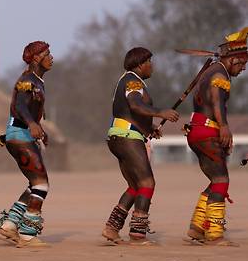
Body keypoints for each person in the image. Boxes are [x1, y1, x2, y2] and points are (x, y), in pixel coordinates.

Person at [102, 47, 179, 245]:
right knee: (147, 183)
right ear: (139, 64)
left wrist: (149, 127)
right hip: (127, 137)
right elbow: (135, 105)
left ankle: (112, 228)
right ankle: (137, 234)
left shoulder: (128, 80)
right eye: (149, 62)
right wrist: (161, 112)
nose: (152, 66)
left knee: (135, 186)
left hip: (120, 135)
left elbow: (130, 112)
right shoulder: (133, 81)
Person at [185, 28, 248, 246]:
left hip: (196, 130)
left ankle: (197, 227)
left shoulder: (210, 71)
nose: (243, 68)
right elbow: (216, 102)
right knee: (222, 180)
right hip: (207, 131)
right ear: (233, 59)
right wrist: (224, 127)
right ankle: (214, 234)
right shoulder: (220, 75)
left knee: (215, 180)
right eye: (242, 63)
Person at [0, 41, 53, 248]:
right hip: (19, 134)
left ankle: (10, 225)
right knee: (41, 184)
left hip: (22, 134)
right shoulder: (27, 80)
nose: (51, 57)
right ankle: (28, 234)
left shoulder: (36, 80)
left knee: (34, 184)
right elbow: (20, 105)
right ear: (37, 58)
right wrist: (31, 124)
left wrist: (39, 130)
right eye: (47, 54)